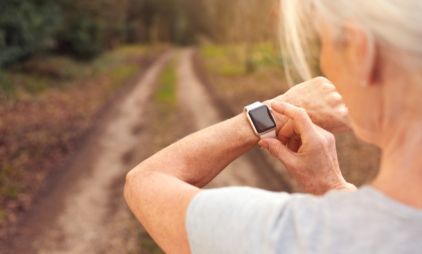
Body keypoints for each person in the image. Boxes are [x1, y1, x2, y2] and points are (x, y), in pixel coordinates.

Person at [124, 0, 422, 253]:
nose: (323, 60)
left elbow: (144, 181)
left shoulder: (283, 237)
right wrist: (333, 188)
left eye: (323, 41)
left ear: (361, 51)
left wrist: (270, 113)